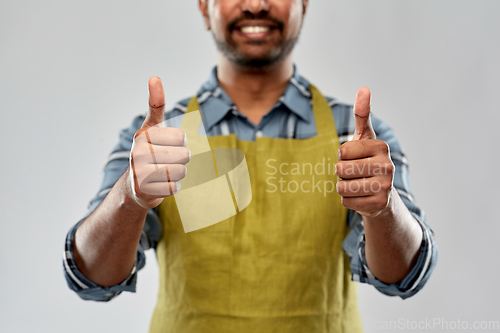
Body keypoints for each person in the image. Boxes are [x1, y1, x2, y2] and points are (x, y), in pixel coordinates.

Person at [63, 0, 438, 332]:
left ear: (304, 4)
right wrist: (130, 195)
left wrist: (385, 209)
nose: (256, 4)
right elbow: (92, 280)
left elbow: (404, 277)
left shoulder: (358, 140)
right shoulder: (159, 138)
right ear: (203, 6)